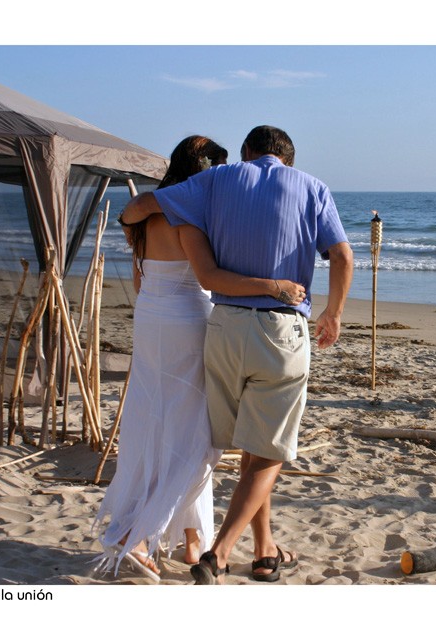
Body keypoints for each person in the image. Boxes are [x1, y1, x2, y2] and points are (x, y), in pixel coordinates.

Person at [119, 125, 353, 584]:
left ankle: (265, 551)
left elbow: (143, 206)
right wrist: (333, 314)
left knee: (251, 445)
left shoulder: (217, 181)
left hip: (222, 327)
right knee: (268, 452)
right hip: (279, 331)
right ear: (288, 157)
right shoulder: (314, 188)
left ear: (247, 154)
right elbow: (342, 256)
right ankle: (218, 553)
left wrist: (131, 221)